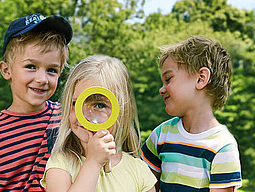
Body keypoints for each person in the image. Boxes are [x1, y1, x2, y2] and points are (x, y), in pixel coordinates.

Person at [0, 14, 72, 192]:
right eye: (31, 66)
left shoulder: (67, 117)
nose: (42, 79)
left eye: (51, 70)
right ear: (6, 70)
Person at [141, 36, 242, 191]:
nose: (161, 89)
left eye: (168, 79)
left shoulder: (222, 147)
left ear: (201, 79)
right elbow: (143, 182)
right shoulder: (161, 135)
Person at [41, 55, 156, 192]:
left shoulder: (139, 171)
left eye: (100, 105)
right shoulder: (60, 165)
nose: (85, 115)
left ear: (122, 112)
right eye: (76, 104)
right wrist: (93, 163)